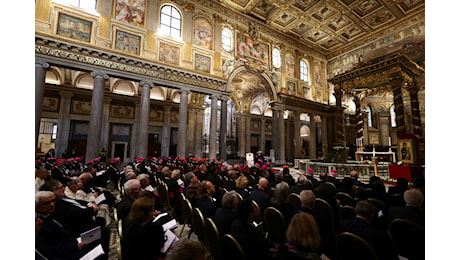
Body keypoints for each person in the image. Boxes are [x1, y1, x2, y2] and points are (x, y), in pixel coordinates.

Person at [35, 191, 96, 260]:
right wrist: (76, 247)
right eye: (46, 203)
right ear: (37, 207)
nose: (52, 204)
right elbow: (53, 249)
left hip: (73, 241)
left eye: (53, 201)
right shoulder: (38, 224)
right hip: (67, 253)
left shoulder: (52, 212)